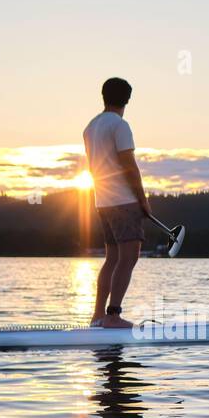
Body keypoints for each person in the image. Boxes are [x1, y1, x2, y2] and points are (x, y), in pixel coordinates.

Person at [83, 77, 150, 328]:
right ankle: (113, 316)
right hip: (123, 201)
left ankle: (98, 315)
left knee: (112, 258)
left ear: (103, 96)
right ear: (127, 100)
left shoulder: (90, 127)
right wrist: (142, 200)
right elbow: (129, 166)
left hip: (102, 201)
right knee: (129, 257)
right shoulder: (120, 126)